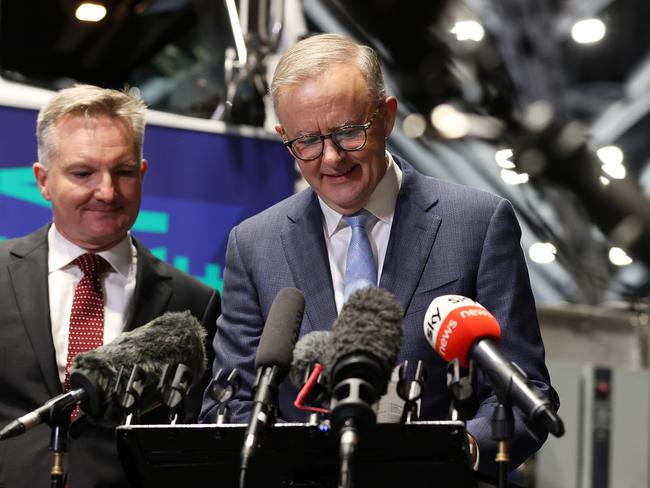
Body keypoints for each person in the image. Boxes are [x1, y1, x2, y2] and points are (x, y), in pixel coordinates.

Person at [200, 33, 558, 476]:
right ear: (284, 137)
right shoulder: (254, 244)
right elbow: (234, 399)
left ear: (386, 117)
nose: (331, 158)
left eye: (349, 132)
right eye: (306, 141)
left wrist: (450, 454)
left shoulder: (477, 224)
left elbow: (520, 391)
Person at [0, 85, 220, 488]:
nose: (106, 192)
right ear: (43, 180)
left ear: (143, 173)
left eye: (123, 172)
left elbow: (192, 443)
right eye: (83, 173)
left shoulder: (195, 303)